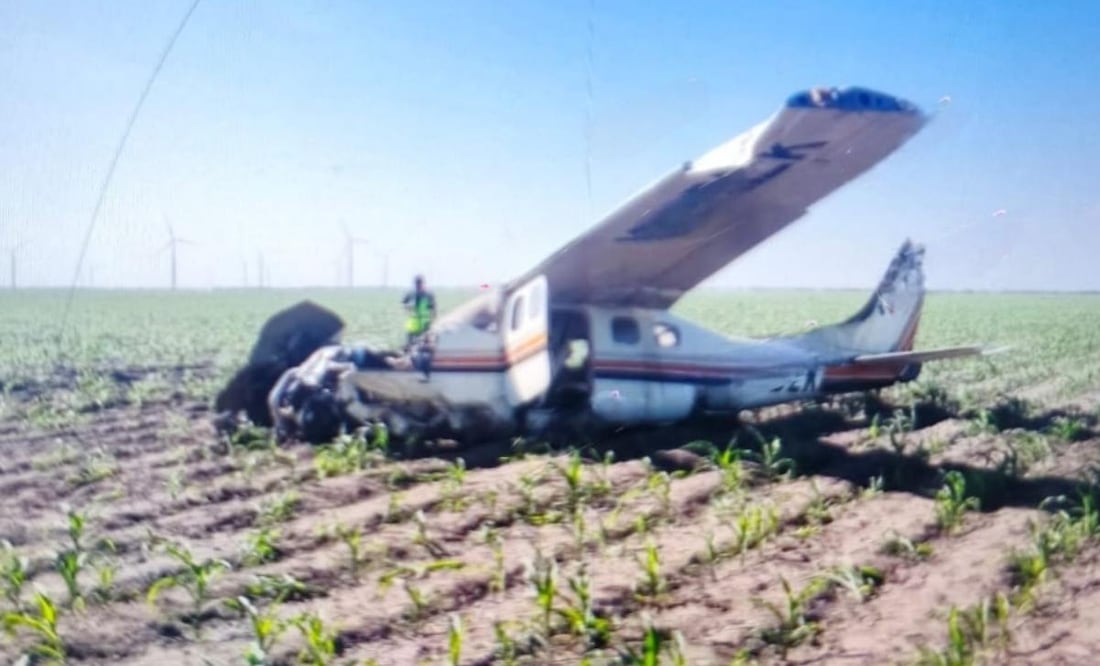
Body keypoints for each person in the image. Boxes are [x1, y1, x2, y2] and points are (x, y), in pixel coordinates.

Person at [402, 274, 436, 347]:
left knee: (424, 345)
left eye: (420, 283)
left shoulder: (428, 294)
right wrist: (408, 308)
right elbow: (404, 304)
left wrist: (432, 320)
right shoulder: (410, 294)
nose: (418, 285)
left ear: (423, 283)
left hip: (425, 324)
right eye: (417, 283)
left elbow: (433, 309)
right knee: (410, 345)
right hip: (413, 324)